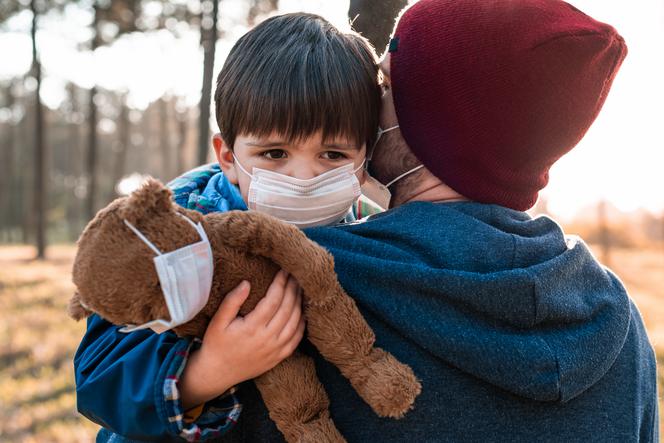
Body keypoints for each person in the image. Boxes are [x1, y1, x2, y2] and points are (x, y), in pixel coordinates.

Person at [221, 0, 659, 441]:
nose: (368, 103)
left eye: (387, 85)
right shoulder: (618, 319)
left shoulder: (296, 280)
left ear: (435, 119)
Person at [74, 12, 382, 441]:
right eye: (274, 154)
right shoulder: (169, 233)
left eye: (332, 155)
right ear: (227, 156)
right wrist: (209, 370)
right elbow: (99, 374)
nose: (303, 178)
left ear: (366, 161)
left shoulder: (372, 238)